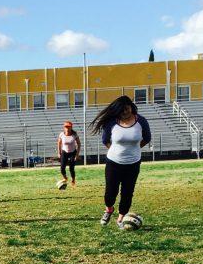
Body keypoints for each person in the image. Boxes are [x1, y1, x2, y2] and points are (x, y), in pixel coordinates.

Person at [89, 96, 151, 228]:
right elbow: (105, 140)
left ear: (131, 107)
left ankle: (121, 218)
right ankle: (108, 209)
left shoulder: (141, 121)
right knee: (110, 193)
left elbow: (147, 137)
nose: (125, 112)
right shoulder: (112, 122)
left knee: (127, 192)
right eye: (122, 110)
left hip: (133, 163)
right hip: (113, 163)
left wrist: (134, 149)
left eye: (127, 108)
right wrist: (116, 151)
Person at [57, 121, 81, 188]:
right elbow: (59, 143)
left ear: (71, 127)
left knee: (71, 168)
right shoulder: (61, 134)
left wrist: (77, 154)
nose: (67, 128)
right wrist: (59, 152)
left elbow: (79, 144)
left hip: (73, 152)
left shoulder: (74, 134)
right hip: (64, 152)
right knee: (62, 168)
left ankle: (73, 180)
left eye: (68, 127)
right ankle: (65, 178)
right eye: (66, 127)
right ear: (64, 127)